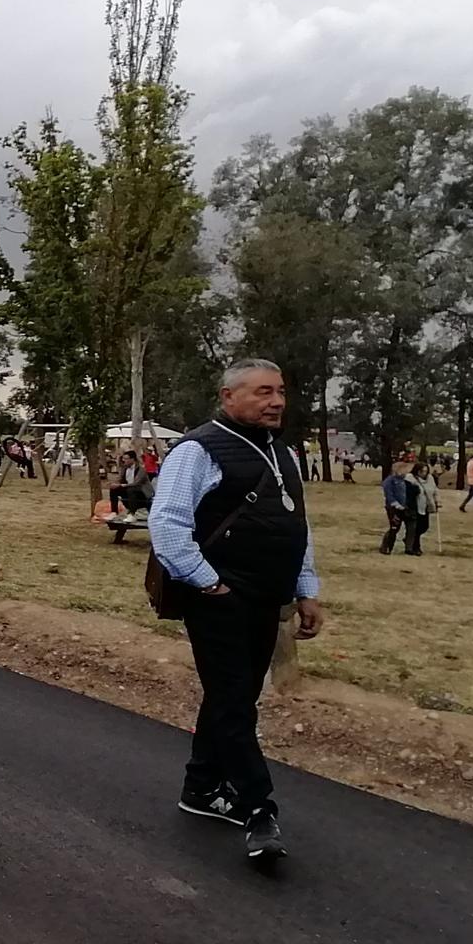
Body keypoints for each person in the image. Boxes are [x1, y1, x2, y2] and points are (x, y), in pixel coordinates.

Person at [148, 358, 323, 865]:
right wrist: (210, 583)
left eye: (281, 392)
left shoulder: (283, 452)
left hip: (268, 598)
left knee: (236, 696)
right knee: (233, 699)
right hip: (218, 598)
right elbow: (169, 525)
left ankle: (201, 787)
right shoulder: (198, 450)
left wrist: (305, 589)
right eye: (263, 392)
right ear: (229, 398)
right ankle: (257, 808)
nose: (276, 402)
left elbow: (297, 527)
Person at [379, 459, 412, 554]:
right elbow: (389, 495)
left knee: (403, 526)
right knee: (394, 527)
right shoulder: (389, 481)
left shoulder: (404, 480)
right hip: (393, 508)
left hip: (404, 507)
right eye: (404, 470)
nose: (406, 472)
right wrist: (396, 505)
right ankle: (386, 546)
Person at [404, 460, 436, 555]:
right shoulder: (410, 478)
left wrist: (437, 500)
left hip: (425, 506)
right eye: (422, 471)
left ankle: (409, 540)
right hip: (414, 507)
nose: (424, 473)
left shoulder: (430, 478)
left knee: (424, 527)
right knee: (415, 528)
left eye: (426, 471)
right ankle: (415, 546)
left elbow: (434, 490)